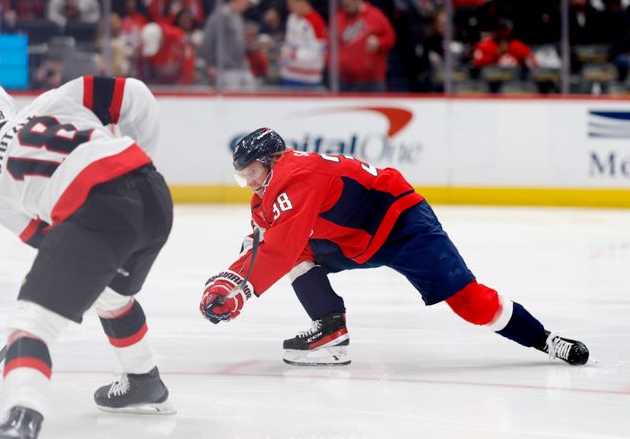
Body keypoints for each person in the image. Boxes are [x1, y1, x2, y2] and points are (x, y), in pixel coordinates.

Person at [199, 128, 590, 368]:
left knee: (469, 301)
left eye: (252, 172)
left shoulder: (296, 176)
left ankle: (545, 339)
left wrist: (237, 288)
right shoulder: (268, 193)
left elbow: (279, 247)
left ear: (273, 161)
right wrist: (233, 278)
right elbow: (262, 244)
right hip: (354, 239)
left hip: (401, 224)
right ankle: (330, 331)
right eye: (242, 176)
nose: (249, 182)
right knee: (297, 252)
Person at [0, 75, 175, 439]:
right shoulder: (54, 99)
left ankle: (21, 421)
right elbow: (135, 92)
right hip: (154, 196)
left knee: (31, 323)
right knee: (111, 297)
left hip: (99, 214)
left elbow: (46, 239)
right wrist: (145, 162)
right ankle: (144, 379)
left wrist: (73, 281)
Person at [201, 0, 259, 90]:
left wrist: (250, 46)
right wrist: (210, 64)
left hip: (241, 66)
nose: (248, 4)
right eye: (247, 1)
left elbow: (236, 41)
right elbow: (208, 39)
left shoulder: (238, 16)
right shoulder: (222, 14)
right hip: (225, 69)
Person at [336, 0, 395, 92]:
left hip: (372, 81)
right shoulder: (340, 18)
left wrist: (380, 43)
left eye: (348, 4)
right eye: (344, 5)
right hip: (347, 81)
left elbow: (391, 37)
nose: (346, 8)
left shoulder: (375, 15)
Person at [280, 0, 327, 88]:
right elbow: (289, 43)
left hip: (308, 80)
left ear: (302, 2)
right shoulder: (291, 18)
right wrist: (284, 53)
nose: (289, 7)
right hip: (289, 76)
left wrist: (293, 55)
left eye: (291, 3)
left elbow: (317, 52)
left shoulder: (316, 22)